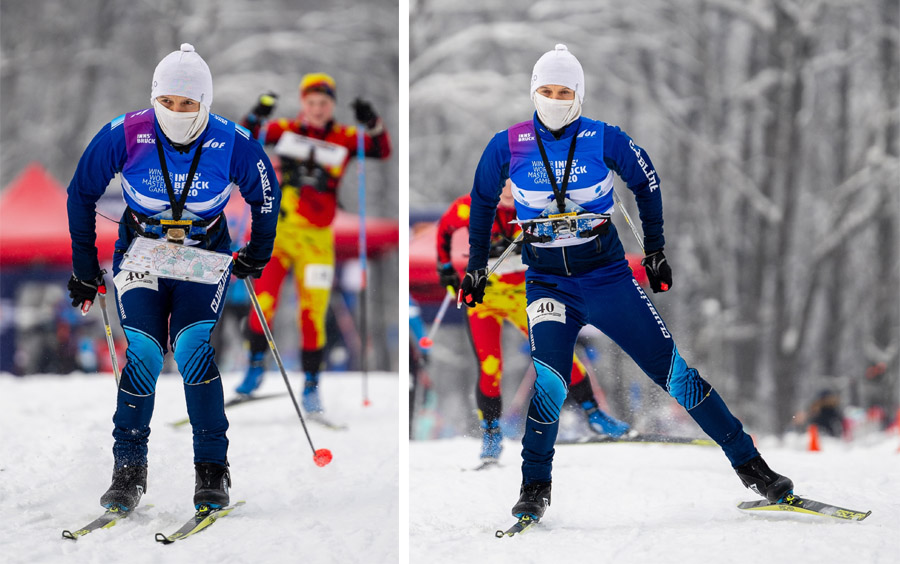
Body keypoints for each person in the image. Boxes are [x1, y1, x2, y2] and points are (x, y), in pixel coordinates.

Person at [460, 44, 793, 522]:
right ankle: (534, 488)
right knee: (551, 382)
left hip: (608, 279)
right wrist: (475, 267)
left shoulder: (604, 138)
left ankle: (755, 470)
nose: (555, 100)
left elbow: (647, 182)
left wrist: (655, 250)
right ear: (533, 93)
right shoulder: (507, 144)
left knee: (674, 373)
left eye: (564, 91)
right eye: (546, 91)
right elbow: (482, 202)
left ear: (579, 95)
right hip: (548, 284)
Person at [66, 43, 281, 512]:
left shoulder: (234, 142)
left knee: (190, 347)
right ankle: (128, 471)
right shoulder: (125, 134)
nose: (177, 112)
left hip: (203, 254)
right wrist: (85, 269)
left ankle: (211, 471)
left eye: (188, 104)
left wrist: (256, 254)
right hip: (142, 250)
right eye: (168, 102)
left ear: (205, 102)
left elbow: (267, 197)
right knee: (142, 347)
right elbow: (80, 193)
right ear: (154, 98)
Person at [436, 181, 631, 465]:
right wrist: (445, 270)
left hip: (523, 295)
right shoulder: (470, 206)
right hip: (485, 299)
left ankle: (595, 414)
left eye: (513, 179)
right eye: (500, 179)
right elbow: (443, 231)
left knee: (557, 354)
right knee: (491, 367)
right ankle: (491, 434)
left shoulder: (534, 204)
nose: (505, 187)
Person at [234, 73, 392, 414]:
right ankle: (255, 366)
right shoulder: (287, 130)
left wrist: (372, 122)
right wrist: (258, 112)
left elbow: (381, 149)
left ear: (332, 105)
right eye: (312, 103)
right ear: (303, 104)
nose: (318, 109)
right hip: (279, 233)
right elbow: (244, 136)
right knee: (263, 303)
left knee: (312, 314)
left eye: (324, 103)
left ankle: (311, 386)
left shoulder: (345, 137)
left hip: (318, 239)